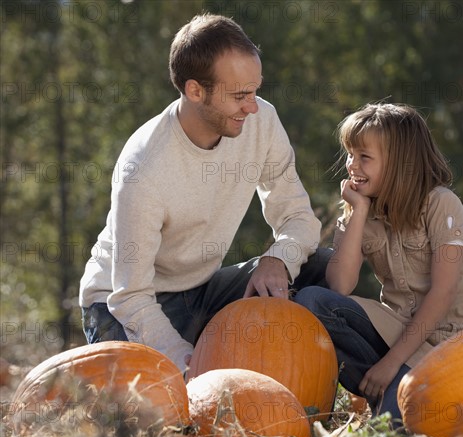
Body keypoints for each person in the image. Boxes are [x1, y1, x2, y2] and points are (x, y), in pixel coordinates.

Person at [79, 13, 330, 374]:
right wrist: (186, 360)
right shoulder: (144, 167)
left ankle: (302, 383)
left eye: (255, 90)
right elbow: (131, 296)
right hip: (122, 304)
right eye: (241, 95)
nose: (253, 106)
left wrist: (278, 259)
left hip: (202, 291)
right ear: (195, 90)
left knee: (318, 267)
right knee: (156, 408)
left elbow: (299, 217)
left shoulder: (261, 122)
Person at [294, 103, 463, 419]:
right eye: (350, 155)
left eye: (364, 157)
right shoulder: (362, 211)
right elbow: (340, 285)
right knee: (313, 301)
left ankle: (395, 393)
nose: (351, 165)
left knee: (400, 427)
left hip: (450, 346)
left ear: (400, 163)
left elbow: (443, 293)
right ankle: (386, 391)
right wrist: (357, 214)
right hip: (396, 332)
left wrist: (390, 363)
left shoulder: (442, 205)